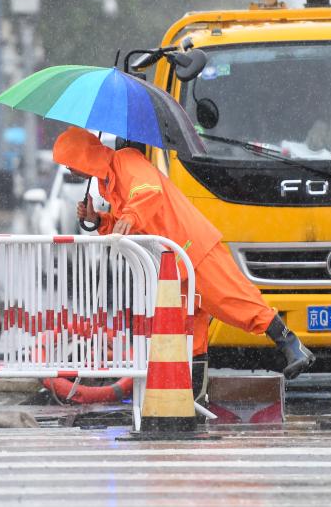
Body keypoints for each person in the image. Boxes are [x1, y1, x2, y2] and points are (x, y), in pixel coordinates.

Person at [53, 126, 316, 397]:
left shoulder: (126, 161)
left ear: (82, 157)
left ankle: (292, 346)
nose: (72, 172)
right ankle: (191, 399)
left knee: (235, 302)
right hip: (174, 262)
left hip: (194, 248)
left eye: (70, 164)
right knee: (185, 333)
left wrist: (129, 216)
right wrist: (98, 221)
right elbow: (131, 224)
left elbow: (148, 193)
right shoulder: (107, 184)